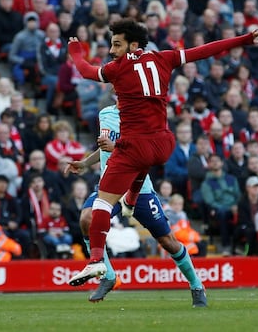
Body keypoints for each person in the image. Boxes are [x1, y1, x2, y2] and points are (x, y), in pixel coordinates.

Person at [65, 18, 258, 286]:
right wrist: (243, 39)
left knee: (101, 203)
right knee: (139, 164)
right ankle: (131, 201)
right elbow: (204, 50)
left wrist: (76, 51)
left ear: (132, 45)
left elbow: (85, 70)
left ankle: (96, 262)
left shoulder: (118, 68)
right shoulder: (164, 58)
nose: (112, 51)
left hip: (134, 147)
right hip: (163, 144)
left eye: (116, 44)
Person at [68, 104, 207, 306]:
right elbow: (104, 147)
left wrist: (114, 148)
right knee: (87, 218)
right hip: (109, 186)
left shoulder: (143, 116)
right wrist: (85, 163)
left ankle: (196, 285)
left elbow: (145, 156)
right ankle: (108, 276)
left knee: (168, 241)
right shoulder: (105, 113)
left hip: (139, 189)